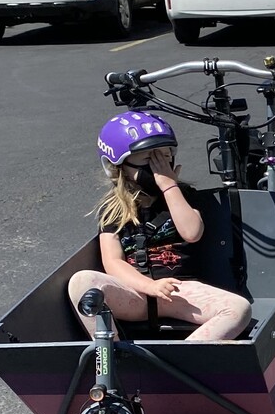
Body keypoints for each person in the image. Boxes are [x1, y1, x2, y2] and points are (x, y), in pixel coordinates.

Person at [67, 111, 252, 341]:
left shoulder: (182, 195)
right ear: (118, 167)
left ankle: (183, 360)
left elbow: (192, 233)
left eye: (164, 158)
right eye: (147, 160)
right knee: (82, 282)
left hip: (179, 290)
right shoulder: (113, 209)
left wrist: (169, 187)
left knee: (238, 309)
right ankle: (113, 356)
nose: (157, 168)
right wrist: (148, 286)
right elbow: (113, 262)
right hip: (135, 292)